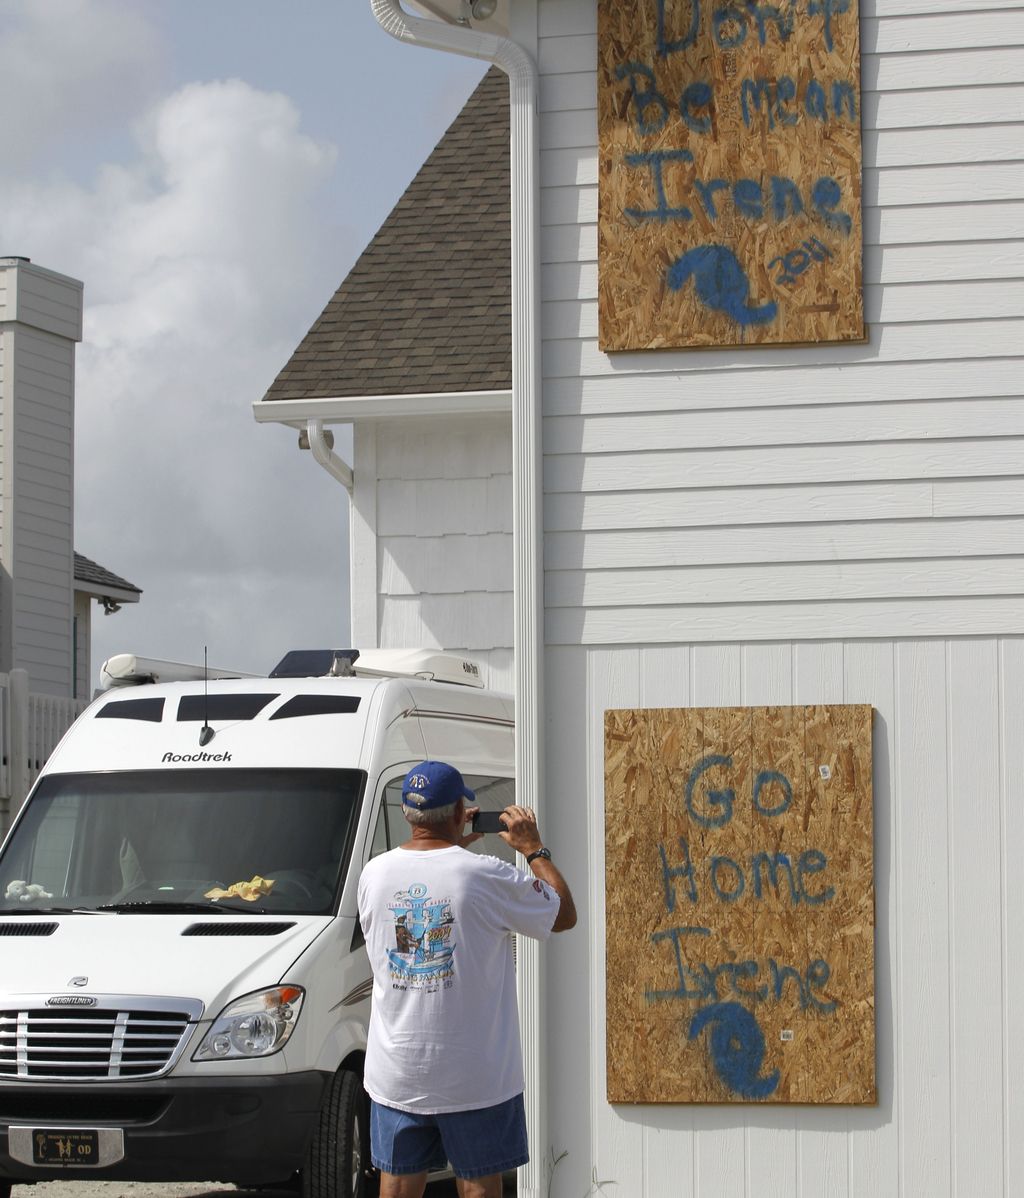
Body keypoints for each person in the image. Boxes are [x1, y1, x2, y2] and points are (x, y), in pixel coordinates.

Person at [357, 760, 577, 1198]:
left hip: (397, 1070)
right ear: (461, 812)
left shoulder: (373, 874)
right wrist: (534, 849)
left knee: (396, 1188)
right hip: (475, 1073)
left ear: (406, 812)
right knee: (478, 1186)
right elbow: (563, 914)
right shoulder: (484, 875)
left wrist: (452, 845)